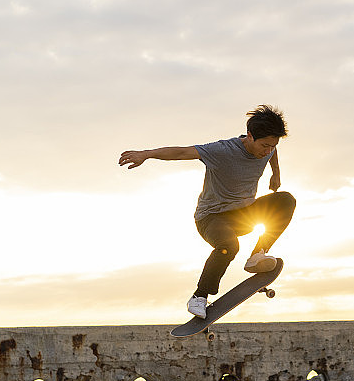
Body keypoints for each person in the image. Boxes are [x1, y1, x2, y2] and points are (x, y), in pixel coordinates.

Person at [118, 105, 296, 320]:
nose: (267, 151)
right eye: (265, 145)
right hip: (211, 218)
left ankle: (257, 256)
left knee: (286, 200)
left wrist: (275, 175)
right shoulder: (222, 150)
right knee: (229, 246)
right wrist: (146, 154)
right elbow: (183, 152)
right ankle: (199, 297)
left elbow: (273, 155)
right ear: (250, 136)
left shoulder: (269, 149)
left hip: (244, 215)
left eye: (272, 146)